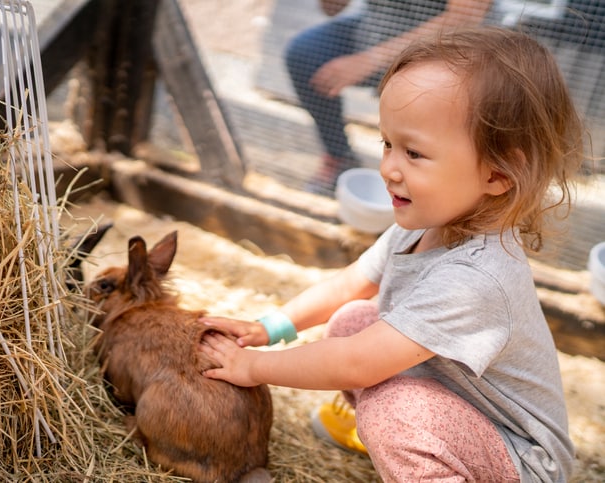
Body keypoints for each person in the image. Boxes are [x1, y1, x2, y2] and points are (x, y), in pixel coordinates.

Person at [200, 27, 583, 482]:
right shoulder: (429, 222)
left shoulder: (476, 278)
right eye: (386, 143)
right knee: (351, 320)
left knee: (393, 409)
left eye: (414, 152)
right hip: (458, 410)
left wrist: (251, 367)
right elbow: (352, 283)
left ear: (498, 175)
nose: (388, 168)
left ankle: (423, 457)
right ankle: (400, 443)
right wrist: (269, 327)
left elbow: (357, 363)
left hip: (519, 461)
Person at [286, 0, 492, 195]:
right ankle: (339, 157)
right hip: (376, 30)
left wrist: (369, 60)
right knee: (306, 53)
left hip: (444, 48)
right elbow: (332, 10)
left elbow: (466, 17)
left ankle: (425, 182)